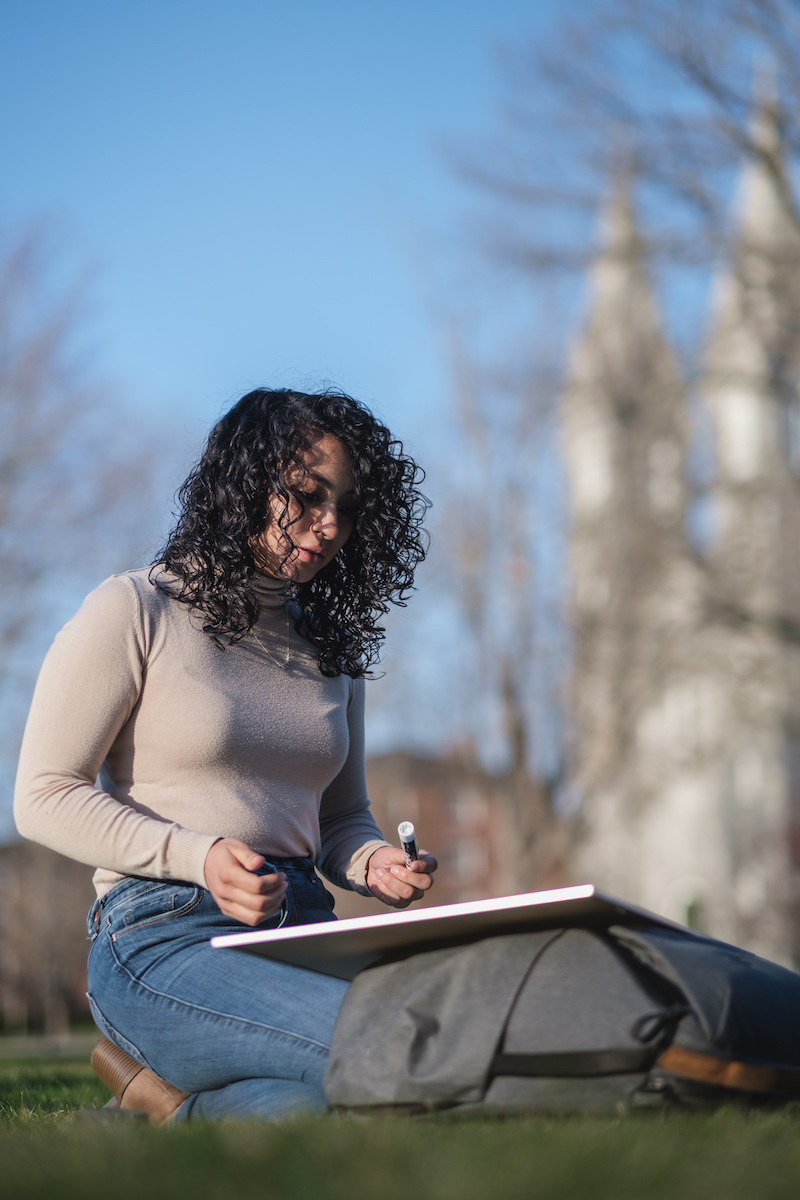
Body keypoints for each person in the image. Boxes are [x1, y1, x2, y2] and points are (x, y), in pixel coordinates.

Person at [14, 387, 436, 1123]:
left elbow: (342, 820)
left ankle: (157, 1117)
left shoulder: (332, 652)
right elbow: (43, 795)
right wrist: (198, 856)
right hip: (163, 934)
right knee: (394, 1050)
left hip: (306, 927)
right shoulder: (136, 608)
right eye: (306, 494)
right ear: (244, 480)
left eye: (348, 506)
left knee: (390, 1080)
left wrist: (373, 864)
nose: (329, 524)